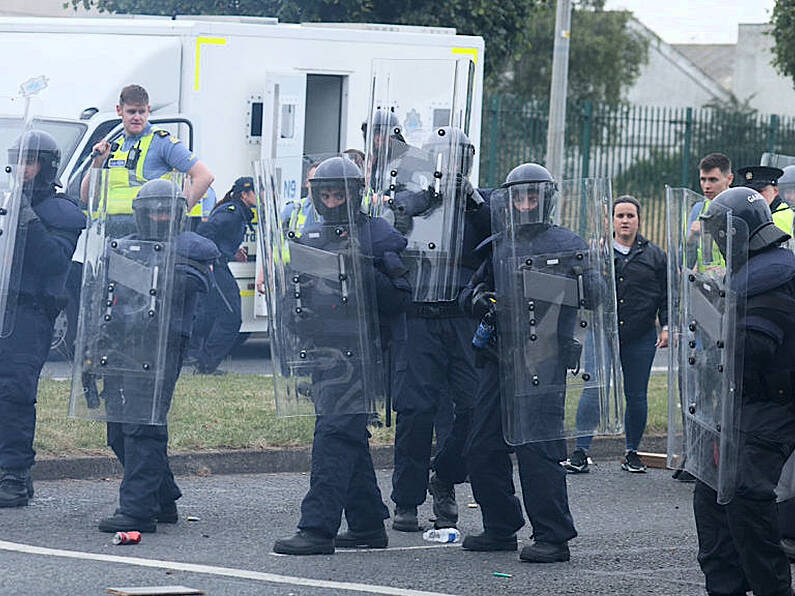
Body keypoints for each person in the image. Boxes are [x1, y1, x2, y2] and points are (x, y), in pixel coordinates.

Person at [272, 156, 411, 555]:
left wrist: (362, 269)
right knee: (345, 434)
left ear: (355, 196)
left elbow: (401, 300)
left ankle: (316, 528)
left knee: (333, 435)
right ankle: (367, 524)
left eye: (339, 195)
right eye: (326, 195)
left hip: (363, 354)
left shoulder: (379, 237)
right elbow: (296, 295)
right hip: (323, 351)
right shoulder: (311, 236)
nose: (332, 202)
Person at [458, 163, 594, 563]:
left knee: (539, 450)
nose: (525, 204)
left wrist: (571, 284)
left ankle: (553, 535)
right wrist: (479, 300)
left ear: (546, 199)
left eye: (533, 196)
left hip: (543, 362)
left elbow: (597, 294)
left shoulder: (569, 244)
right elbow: (471, 291)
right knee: (480, 447)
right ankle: (501, 526)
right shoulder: (500, 244)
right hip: (499, 359)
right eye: (519, 197)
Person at [96, 179, 219, 532]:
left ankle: (138, 510)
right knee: (118, 431)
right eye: (153, 211)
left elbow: (188, 283)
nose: (160, 217)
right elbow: (102, 293)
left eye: (166, 211)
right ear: (139, 214)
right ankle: (162, 498)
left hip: (162, 345)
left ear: (179, 214)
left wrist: (138, 269)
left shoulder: (193, 248)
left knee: (142, 424)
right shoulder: (124, 246)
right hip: (122, 342)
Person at [690, 186, 795, 596]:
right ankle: (726, 586)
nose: (717, 241)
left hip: (773, 402)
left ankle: (770, 588)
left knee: (746, 495)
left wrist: (719, 322)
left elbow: (754, 346)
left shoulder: (773, 275)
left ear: (739, 233)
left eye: (721, 234)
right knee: (710, 493)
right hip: (738, 401)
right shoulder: (756, 268)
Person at [389, 126, 488, 532]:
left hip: (461, 319)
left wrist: (473, 201)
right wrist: (424, 199)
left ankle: (445, 478)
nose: (450, 167)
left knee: (470, 410)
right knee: (415, 411)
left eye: (458, 158)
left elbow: (498, 235)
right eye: (442, 158)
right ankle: (407, 501)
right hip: (419, 318)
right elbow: (394, 223)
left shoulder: (480, 204)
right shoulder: (415, 199)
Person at [0, 130, 86, 507]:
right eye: (17, 160)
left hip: (29, 314)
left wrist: (27, 219)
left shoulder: (62, 212)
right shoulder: (6, 203)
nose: (22, 169)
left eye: (29, 161)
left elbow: (54, 261)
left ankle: (14, 475)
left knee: (15, 393)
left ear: (46, 166)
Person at [563, 196, 668, 474]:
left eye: (630, 216)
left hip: (641, 335)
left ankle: (632, 452)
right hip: (603, 334)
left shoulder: (655, 255)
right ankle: (580, 452)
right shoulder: (596, 251)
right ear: (610, 220)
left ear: (639, 220)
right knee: (594, 388)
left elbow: (667, 295)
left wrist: (668, 326)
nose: (625, 221)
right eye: (620, 216)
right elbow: (580, 286)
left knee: (636, 395)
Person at [80, 84, 214, 230]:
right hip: (111, 234)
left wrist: (178, 214)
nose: (137, 117)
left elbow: (204, 176)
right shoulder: (114, 147)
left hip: (147, 236)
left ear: (148, 111)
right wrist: (97, 162)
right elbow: (86, 197)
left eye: (141, 112)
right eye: (131, 112)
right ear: (119, 111)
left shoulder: (162, 142)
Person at [190, 176, 256, 375]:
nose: (259, 196)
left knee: (210, 314)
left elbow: (218, 237)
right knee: (231, 317)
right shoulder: (232, 212)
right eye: (255, 192)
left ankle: (200, 360)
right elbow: (205, 232)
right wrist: (208, 260)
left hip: (217, 265)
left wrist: (232, 251)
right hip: (214, 268)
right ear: (244, 194)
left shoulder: (237, 211)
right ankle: (206, 364)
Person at [736, 165, 793, 239]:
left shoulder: (780, 217)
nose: (753, 196)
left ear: (775, 191)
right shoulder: (754, 213)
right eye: (749, 191)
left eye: (759, 191)